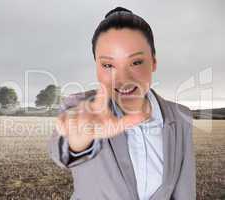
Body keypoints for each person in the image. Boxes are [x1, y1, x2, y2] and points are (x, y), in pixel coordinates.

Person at [48, 6, 196, 200]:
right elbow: (63, 153)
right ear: (96, 67)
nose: (123, 78)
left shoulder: (180, 115)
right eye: (108, 65)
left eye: (135, 62)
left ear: (153, 61)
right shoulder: (80, 105)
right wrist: (79, 141)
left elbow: (184, 189)